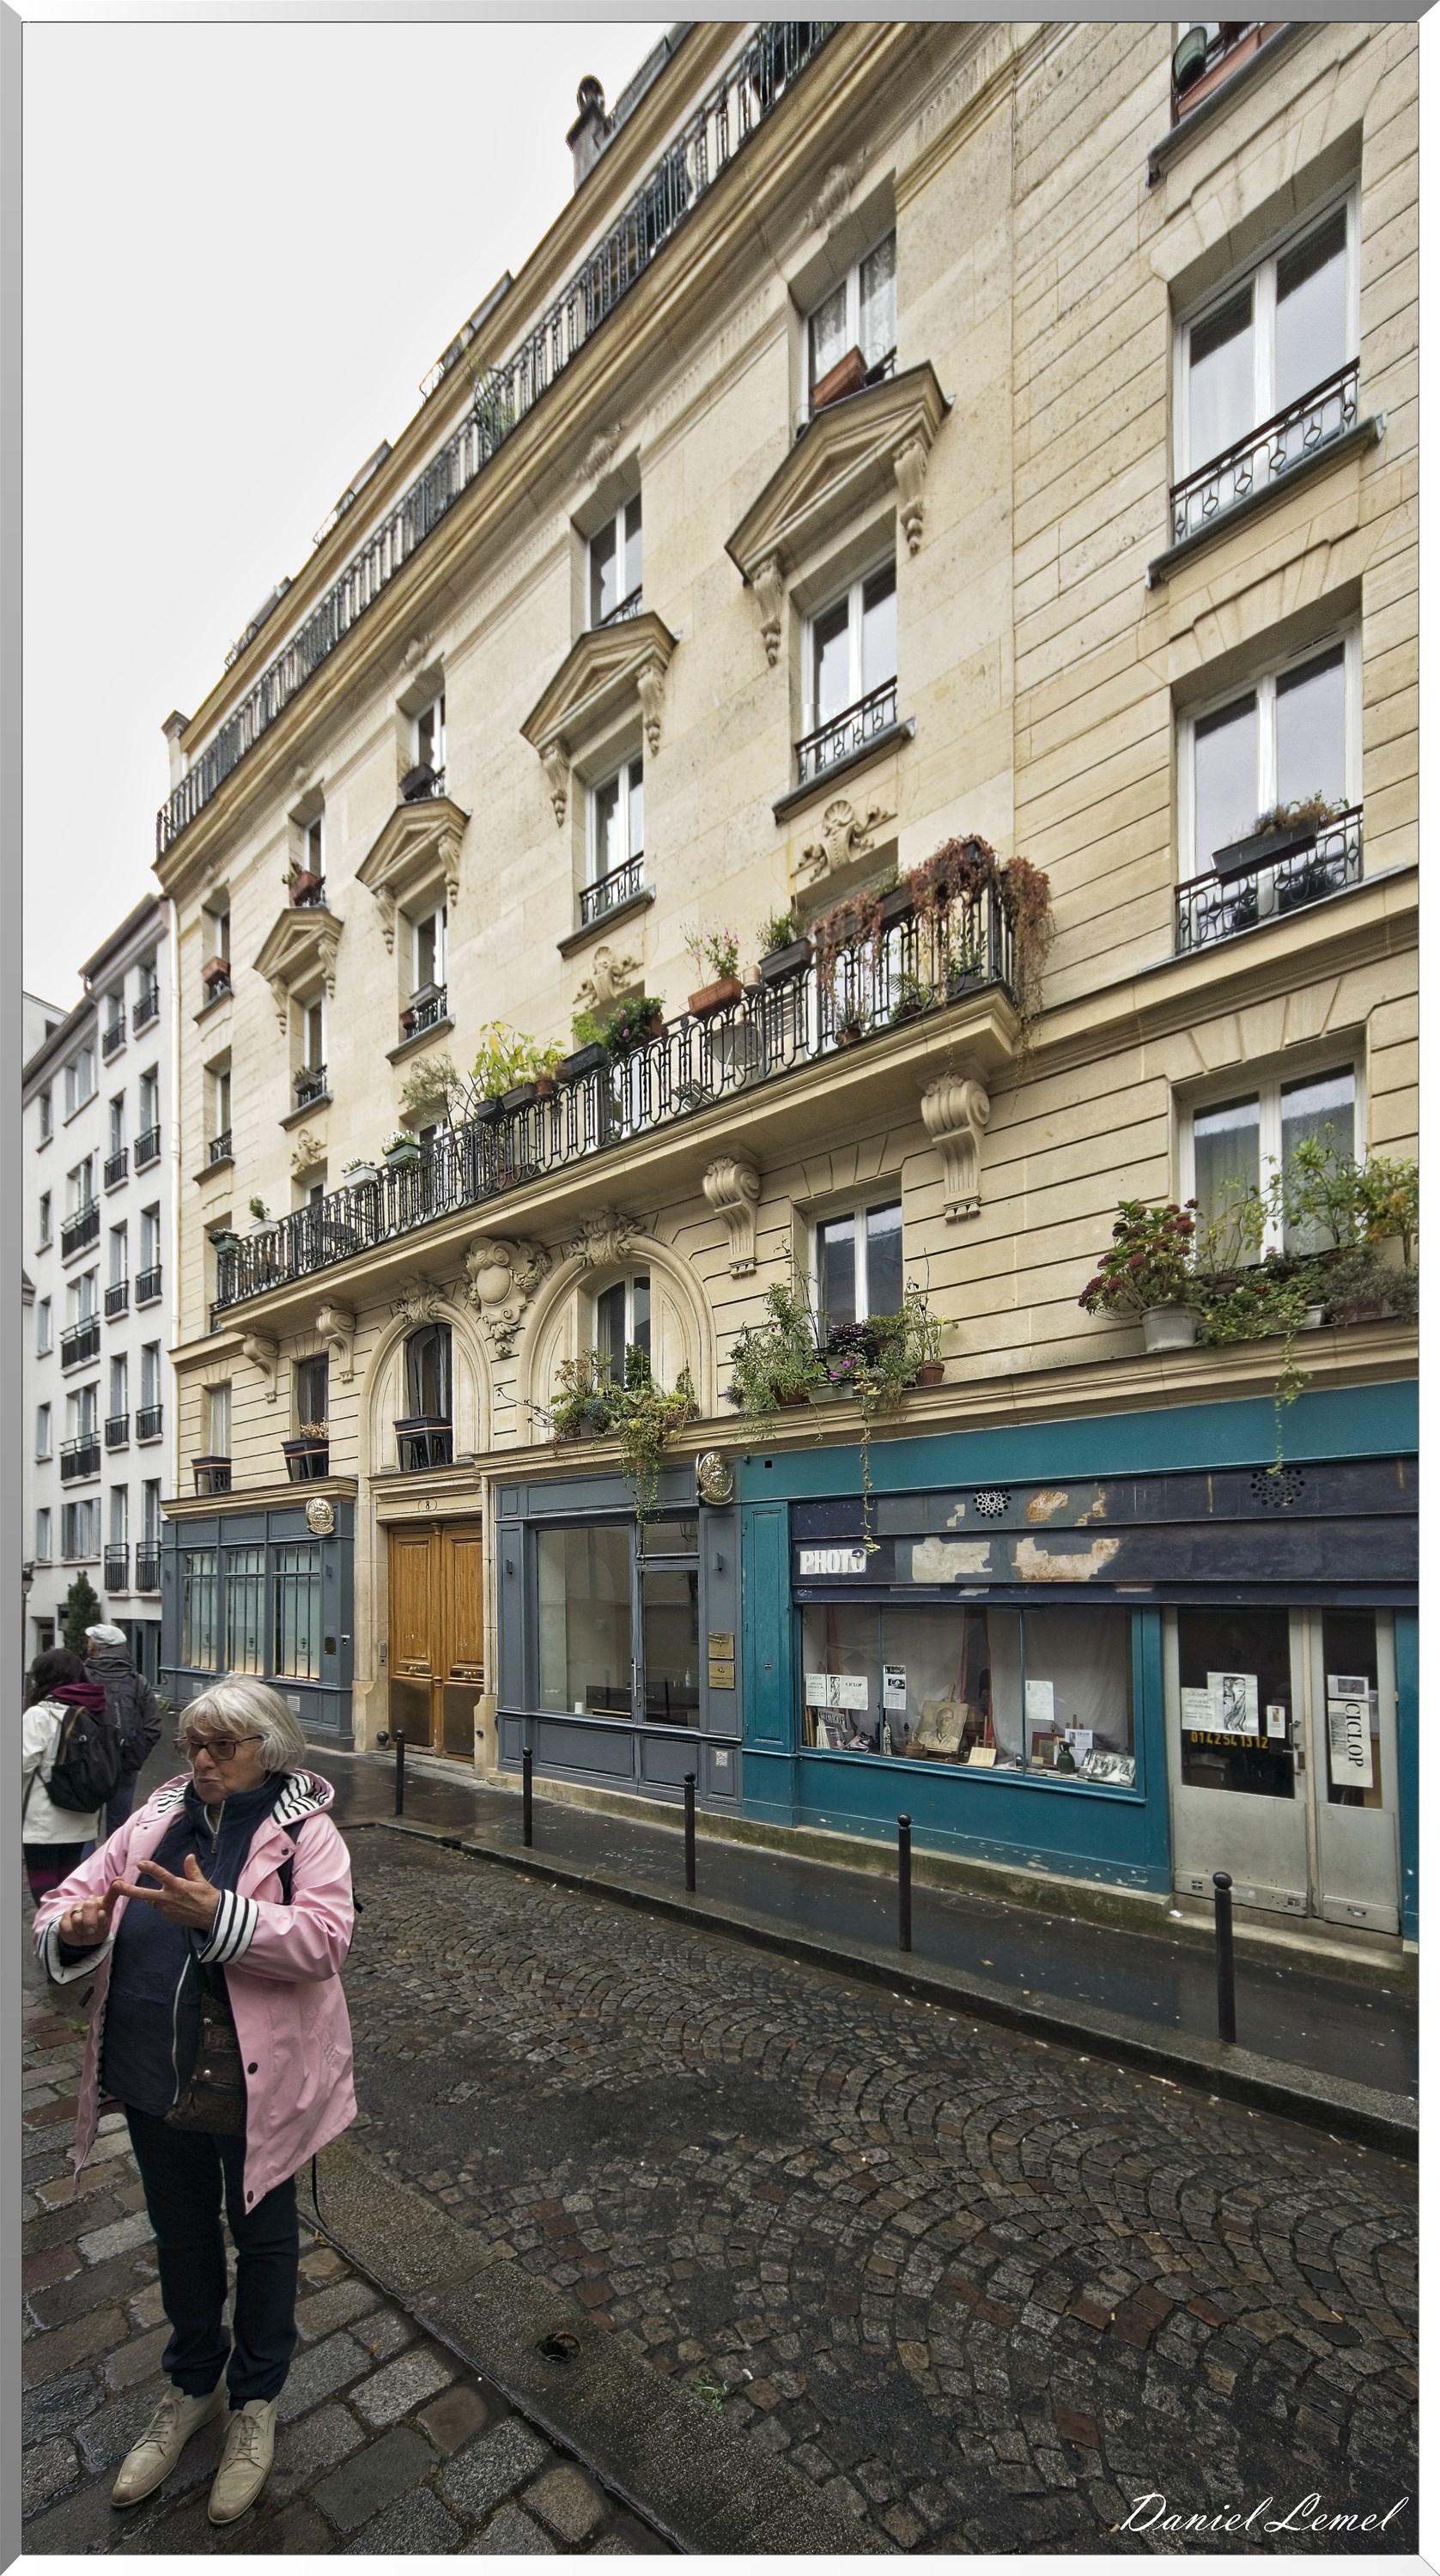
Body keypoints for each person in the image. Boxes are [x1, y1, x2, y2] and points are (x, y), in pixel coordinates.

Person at [33, 1680, 355, 2528]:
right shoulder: (153, 1817)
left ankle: (255, 2402)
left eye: (222, 1747)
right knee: (179, 2238)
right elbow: (72, 1892)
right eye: (193, 1744)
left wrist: (222, 1912)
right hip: (150, 2076)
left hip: (252, 2084)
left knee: (266, 2242)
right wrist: (76, 1926)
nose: (202, 1760)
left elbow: (326, 1940)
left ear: (270, 1751)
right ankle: (192, 2385)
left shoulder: (305, 1836)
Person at [21, 1649, 112, 1903]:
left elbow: (23, 1763)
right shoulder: (96, 1710)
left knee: (45, 1891)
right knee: (69, 1886)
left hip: (43, 1819)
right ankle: (67, 1936)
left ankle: (51, 1936)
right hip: (82, 1815)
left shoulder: (40, 1714)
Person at [84, 1621, 162, 1834]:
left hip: (87, 1766)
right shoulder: (138, 1682)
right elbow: (153, 1726)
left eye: (90, 1640)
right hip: (125, 1766)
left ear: (97, 1646)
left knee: (84, 1828)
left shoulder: (83, 1678)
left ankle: (85, 1868)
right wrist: (133, 1758)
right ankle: (113, 1868)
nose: (87, 1643)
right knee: (118, 1831)